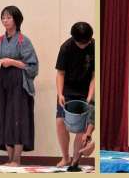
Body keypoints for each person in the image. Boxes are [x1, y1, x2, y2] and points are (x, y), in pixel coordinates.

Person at [0, 6, 38, 167]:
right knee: (4, 117)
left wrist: (12, 62)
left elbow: (32, 66)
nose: (5, 20)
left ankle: (17, 159)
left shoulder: (23, 41)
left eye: (8, 17)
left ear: (16, 20)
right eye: (3, 17)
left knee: (17, 118)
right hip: (1, 82)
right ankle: (10, 158)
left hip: (18, 84)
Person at [55, 21, 95, 167]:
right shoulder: (66, 48)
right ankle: (65, 157)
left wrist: (90, 95)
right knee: (60, 121)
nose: (85, 45)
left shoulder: (94, 47)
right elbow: (60, 73)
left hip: (86, 89)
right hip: (68, 89)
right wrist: (60, 94)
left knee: (82, 126)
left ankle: (75, 161)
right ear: (74, 39)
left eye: (87, 42)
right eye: (81, 43)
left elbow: (94, 75)